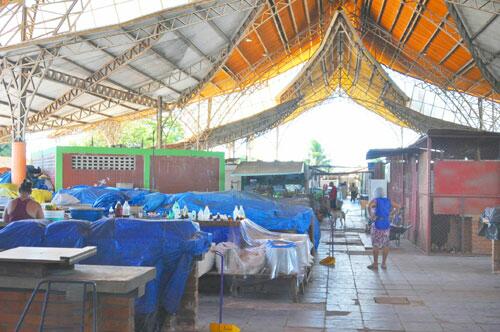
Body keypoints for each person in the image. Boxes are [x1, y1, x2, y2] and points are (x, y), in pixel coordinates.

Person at [367, 187, 399, 270]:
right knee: (386, 245)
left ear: (376, 193)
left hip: (377, 224)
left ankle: (375, 264)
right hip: (386, 225)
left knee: (375, 245)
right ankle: (384, 264)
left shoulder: (376, 200)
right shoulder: (388, 200)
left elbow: (368, 206)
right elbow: (398, 207)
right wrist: (391, 213)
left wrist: (371, 216)